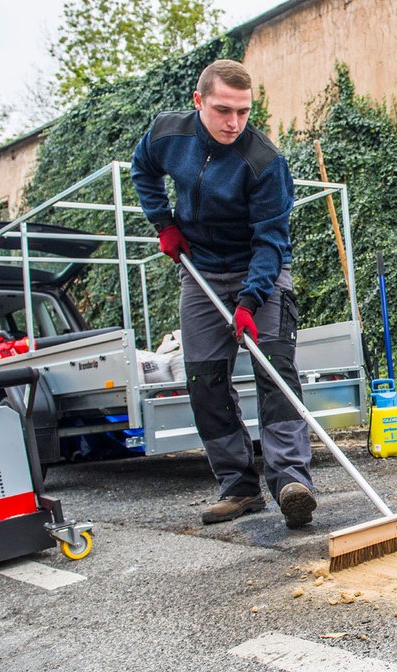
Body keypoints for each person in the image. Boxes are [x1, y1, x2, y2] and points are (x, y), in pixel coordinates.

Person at [131, 59, 316, 528]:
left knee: (275, 374)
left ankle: (292, 481)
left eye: (243, 111)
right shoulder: (167, 134)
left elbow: (271, 239)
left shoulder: (264, 161)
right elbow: (142, 170)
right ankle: (238, 488)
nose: (234, 123)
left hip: (262, 271)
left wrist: (251, 301)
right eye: (222, 110)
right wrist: (164, 223)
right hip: (201, 271)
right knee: (205, 381)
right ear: (198, 102)